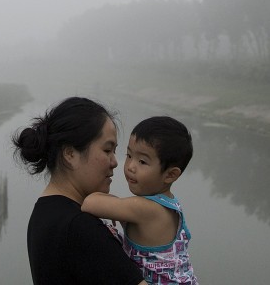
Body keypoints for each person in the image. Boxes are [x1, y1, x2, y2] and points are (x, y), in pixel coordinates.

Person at [12, 96, 147, 285]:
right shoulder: (79, 227)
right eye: (107, 150)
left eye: (115, 151)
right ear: (70, 154)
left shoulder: (44, 213)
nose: (115, 162)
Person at [81, 115, 198, 285]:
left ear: (170, 175)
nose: (130, 166)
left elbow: (89, 203)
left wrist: (112, 204)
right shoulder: (171, 205)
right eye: (129, 155)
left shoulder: (148, 209)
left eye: (142, 161)